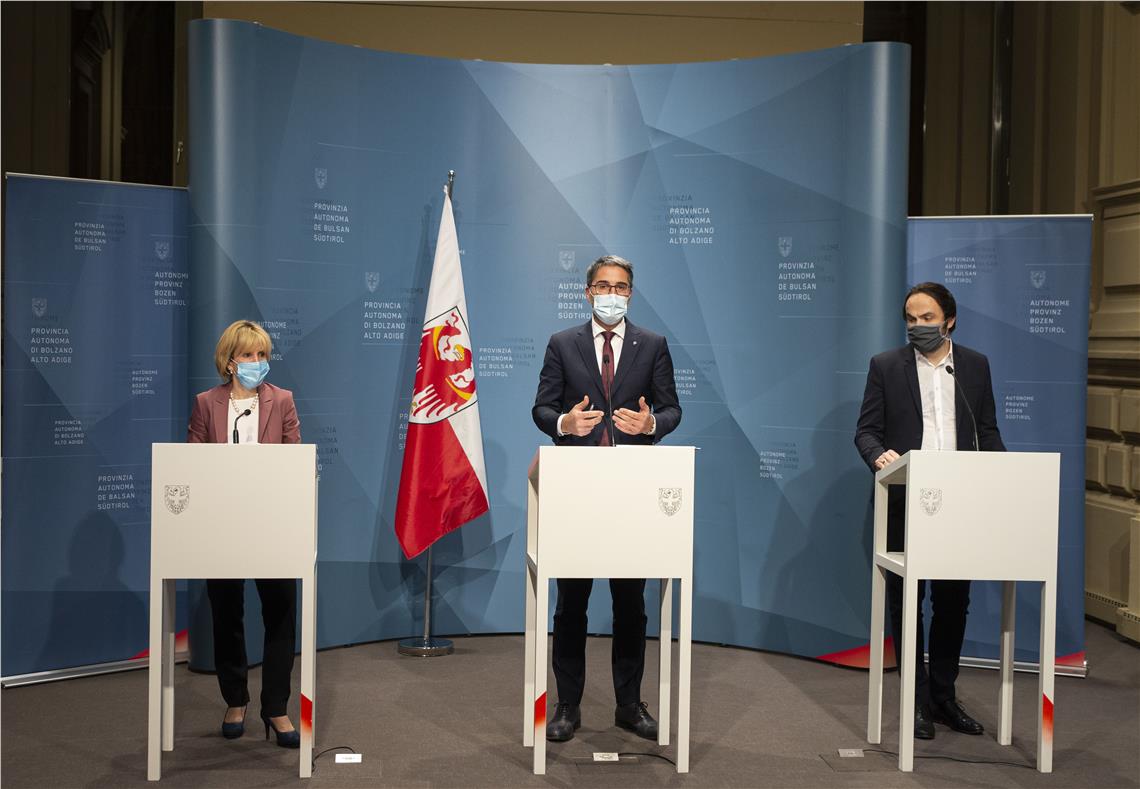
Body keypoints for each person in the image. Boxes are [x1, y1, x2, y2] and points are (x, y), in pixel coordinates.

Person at [532, 254, 682, 742]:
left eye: (620, 287)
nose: (611, 294)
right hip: (576, 489)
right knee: (571, 602)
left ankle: (629, 705)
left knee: (630, 603)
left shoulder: (653, 345)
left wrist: (651, 423)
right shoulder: (562, 343)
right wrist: (565, 423)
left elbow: (672, 409)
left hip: (631, 491)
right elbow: (542, 408)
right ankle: (567, 706)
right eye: (602, 286)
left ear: (630, 294)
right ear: (588, 292)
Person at [854, 282, 1005, 741]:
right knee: (907, 604)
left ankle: (944, 696)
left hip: (960, 502)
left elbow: (987, 431)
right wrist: (878, 456)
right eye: (911, 319)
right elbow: (866, 431)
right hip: (906, 498)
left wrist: (1004, 477)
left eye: (927, 318)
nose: (917, 326)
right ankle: (916, 700)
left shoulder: (974, 365)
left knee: (953, 603)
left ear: (949, 320)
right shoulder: (886, 366)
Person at [187, 319, 302, 748]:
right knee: (226, 614)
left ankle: (276, 708)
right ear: (230, 361)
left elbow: (294, 458)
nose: (258, 361)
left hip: (272, 524)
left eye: (263, 354)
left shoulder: (282, 400)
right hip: (222, 527)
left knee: (280, 614)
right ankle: (235, 700)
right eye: (249, 354)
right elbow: (192, 463)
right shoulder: (206, 404)